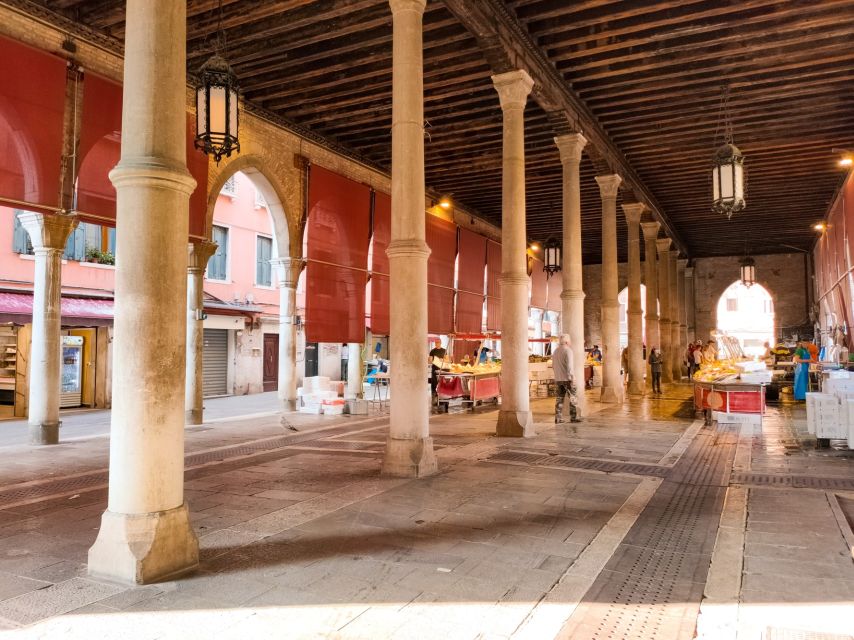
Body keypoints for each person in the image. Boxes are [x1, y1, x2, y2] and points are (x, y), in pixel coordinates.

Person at [552, 334, 580, 424]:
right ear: (567, 342)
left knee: (559, 399)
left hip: (558, 378)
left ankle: (558, 418)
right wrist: (572, 378)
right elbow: (570, 366)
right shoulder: (568, 351)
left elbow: (553, 366)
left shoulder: (555, 351)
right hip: (567, 379)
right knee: (573, 398)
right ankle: (573, 417)